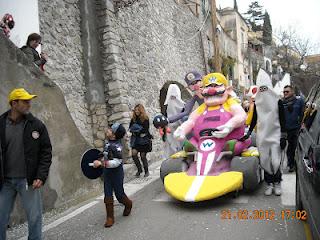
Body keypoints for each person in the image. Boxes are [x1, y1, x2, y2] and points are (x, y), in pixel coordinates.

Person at [0, 88, 52, 240]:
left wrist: (40, 176)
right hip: (5, 182)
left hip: (28, 181)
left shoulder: (36, 125)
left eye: (29, 101)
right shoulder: (1, 124)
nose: (29, 104)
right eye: (25, 101)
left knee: (35, 218)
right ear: (14, 103)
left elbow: (46, 152)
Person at [241, 69, 286, 196]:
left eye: (266, 89)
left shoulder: (278, 102)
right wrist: (249, 133)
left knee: (276, 160)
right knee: (265, 160)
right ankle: (269, 184)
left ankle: (277, 183)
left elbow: (283, 120)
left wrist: (283, 135)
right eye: (262, 89)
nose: (264, 92)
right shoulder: (257, 104)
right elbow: (254, 119)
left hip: (276, 135)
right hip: (262, 136)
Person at [93, 123, 132, 228]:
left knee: (119, 195)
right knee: (108, 195)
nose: (108, 130)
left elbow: (116, 162)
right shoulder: (108, 143)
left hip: (116, 174)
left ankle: (128, 204)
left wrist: (102, 164)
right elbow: (104, 154)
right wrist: (98, 158)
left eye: (110, 129)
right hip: (107, 173)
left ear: (114, 135)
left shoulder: (118, 147)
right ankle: (110, 217)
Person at [282, 85, 304, 172]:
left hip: (295, 129)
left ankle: (292, 165)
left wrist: (302, 124)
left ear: (292, 92)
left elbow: (303, 114)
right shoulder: (281, 102)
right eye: (284, 92)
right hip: (284, 130)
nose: (285, 93)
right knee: (285, 148)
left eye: (287, 91)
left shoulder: (299, 101)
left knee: (293, 147)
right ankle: (289, 163)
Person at [129, 104, 152, 177]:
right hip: (136, 140)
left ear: (141, 110)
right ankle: (139, 169)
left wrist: (137, 131)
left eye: (138, 110)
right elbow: (130, 128)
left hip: (144, 140)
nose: (136, 111)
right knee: (134, 154)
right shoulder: (133, 119)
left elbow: (145, 130)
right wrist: (137, 131)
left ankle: (146, 171)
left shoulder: (145, 118)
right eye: (135, 110)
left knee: (142, 156)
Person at [163, 84, 185, 157]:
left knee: (180, 146)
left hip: (180, 128)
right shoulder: (168, 105)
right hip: (171, 129)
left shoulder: (182, 105)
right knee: (172, 146)